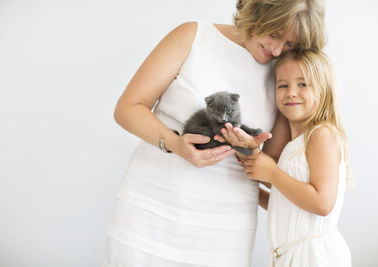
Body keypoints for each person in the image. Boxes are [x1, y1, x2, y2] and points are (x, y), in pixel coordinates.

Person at [105, 0, 326, 266]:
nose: (277, 49)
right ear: (256, 13)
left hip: (226, 228)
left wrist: (252, 152)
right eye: (274, 34)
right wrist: (174, 143)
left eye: (289, 44)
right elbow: (128, 109)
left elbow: (273, 173)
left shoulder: (282, 77)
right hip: (153, 209)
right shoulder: (193, 36)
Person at [241, 49, 352, 266]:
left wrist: (272, 173)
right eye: (283, 85)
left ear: (324, 90)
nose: (291, 92)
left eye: (303, 84)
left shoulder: (321, 135)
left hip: (315, 257)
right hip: (291, 256)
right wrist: (250, 191)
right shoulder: (293, 146)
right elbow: (290, 203)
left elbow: (322, 203)